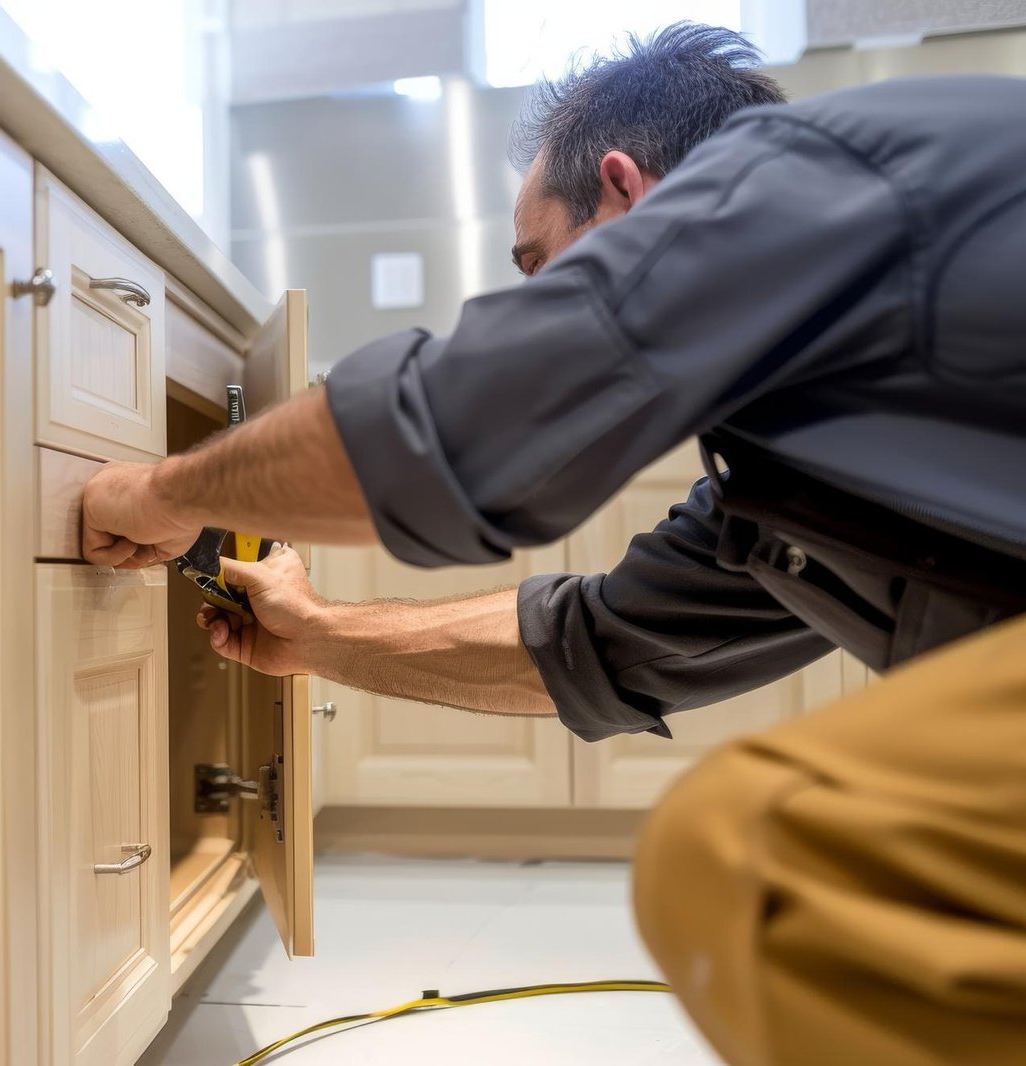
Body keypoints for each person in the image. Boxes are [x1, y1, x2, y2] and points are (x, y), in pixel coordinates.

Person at [80, 22, 1026, 1066]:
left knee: (770, 856)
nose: (540, 310)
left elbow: (448, 435)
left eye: (540, 269)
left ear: (631, 197)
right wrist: (314, 634)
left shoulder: (800, 174)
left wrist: (163, 492)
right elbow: (597, 646)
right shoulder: (794, 466)